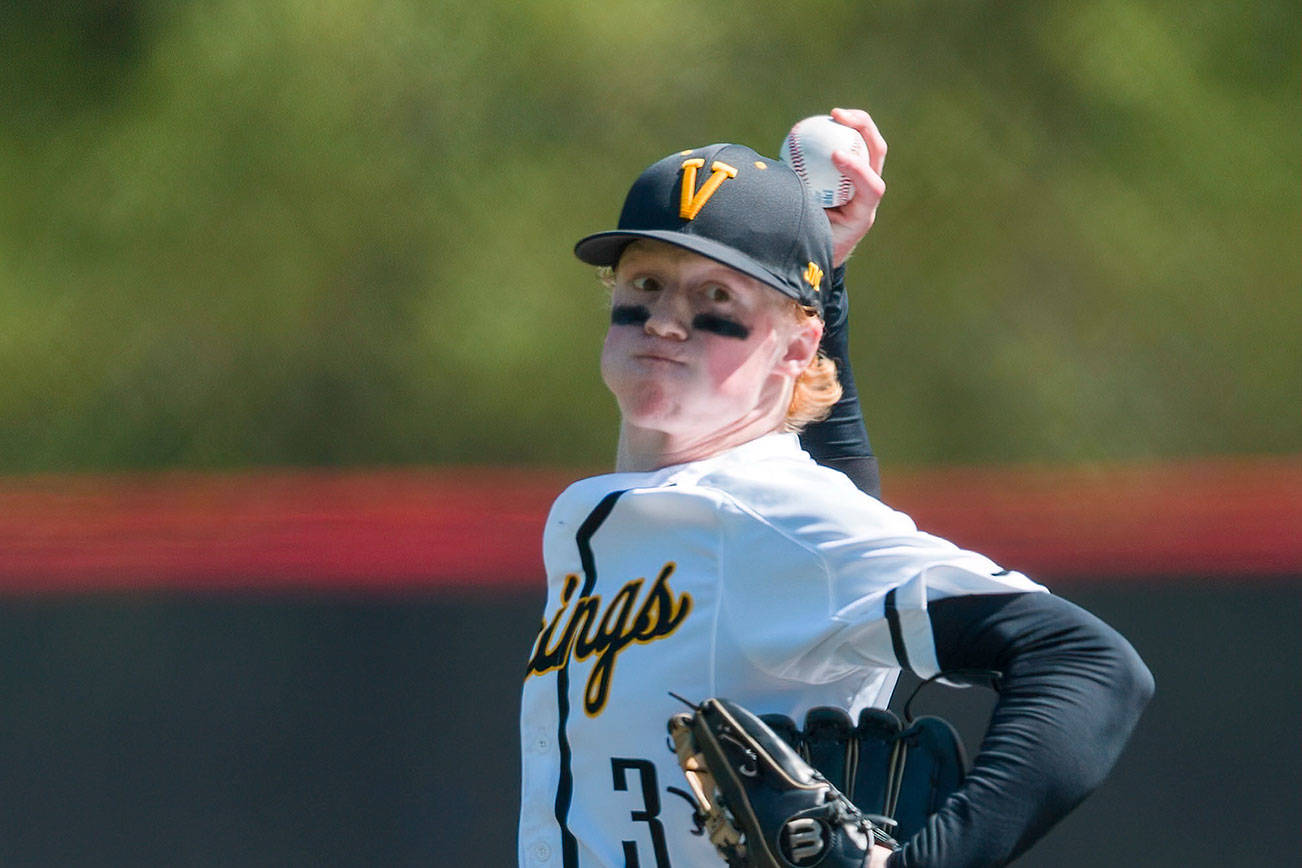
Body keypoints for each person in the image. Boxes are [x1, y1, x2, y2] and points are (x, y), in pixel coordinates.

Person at [519, 108, 1153, 868]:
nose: (664, 321)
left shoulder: (756, 510)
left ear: (796, 343)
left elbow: (1092, 666)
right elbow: (807, 523)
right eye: (646, 282)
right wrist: (826, 275)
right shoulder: (685, 513)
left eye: (716, 298)